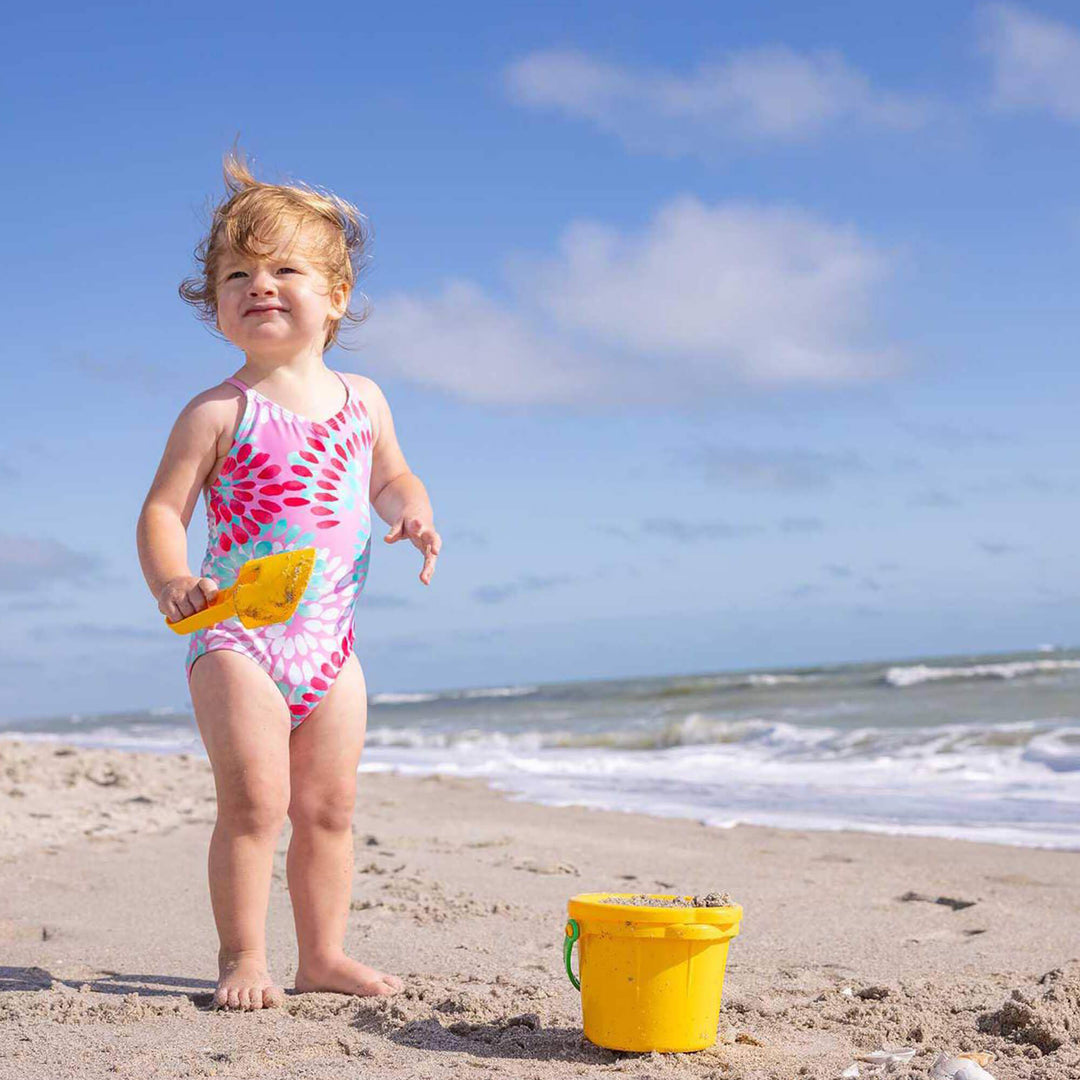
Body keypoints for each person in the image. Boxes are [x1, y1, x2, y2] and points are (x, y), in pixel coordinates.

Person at [135, 149, 440, 1010]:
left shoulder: (365, 400)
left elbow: (392, 477)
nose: (259, 284)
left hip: (329, 644)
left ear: (335, 297)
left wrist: (412, 508)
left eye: (285, 269)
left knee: (329, 810)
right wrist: (171, 580)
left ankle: (323, 956)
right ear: (217, 308)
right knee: (255, 804)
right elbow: (162, 512)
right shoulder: (217, 412)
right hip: (234, 634)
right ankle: (243, 956)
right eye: (237, 274)